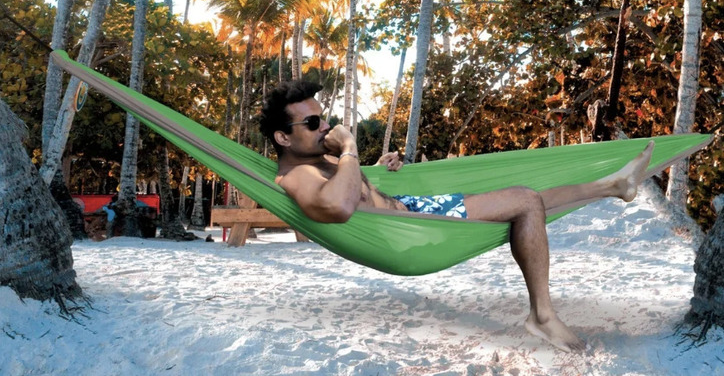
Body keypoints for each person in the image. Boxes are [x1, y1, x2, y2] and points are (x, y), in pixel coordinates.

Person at [258, 81, 654, 353]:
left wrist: (379, 166)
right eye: (312, 123)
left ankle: (614, 186)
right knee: (526, 201)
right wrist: (348, 146)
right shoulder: (298, 176)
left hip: (413, 210)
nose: (325, 127)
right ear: (282, 137)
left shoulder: (319, 159)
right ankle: (542, 315)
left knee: (525, 197)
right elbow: (340, 207)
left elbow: (356, 187)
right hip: (406, 236)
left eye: (323, 118)